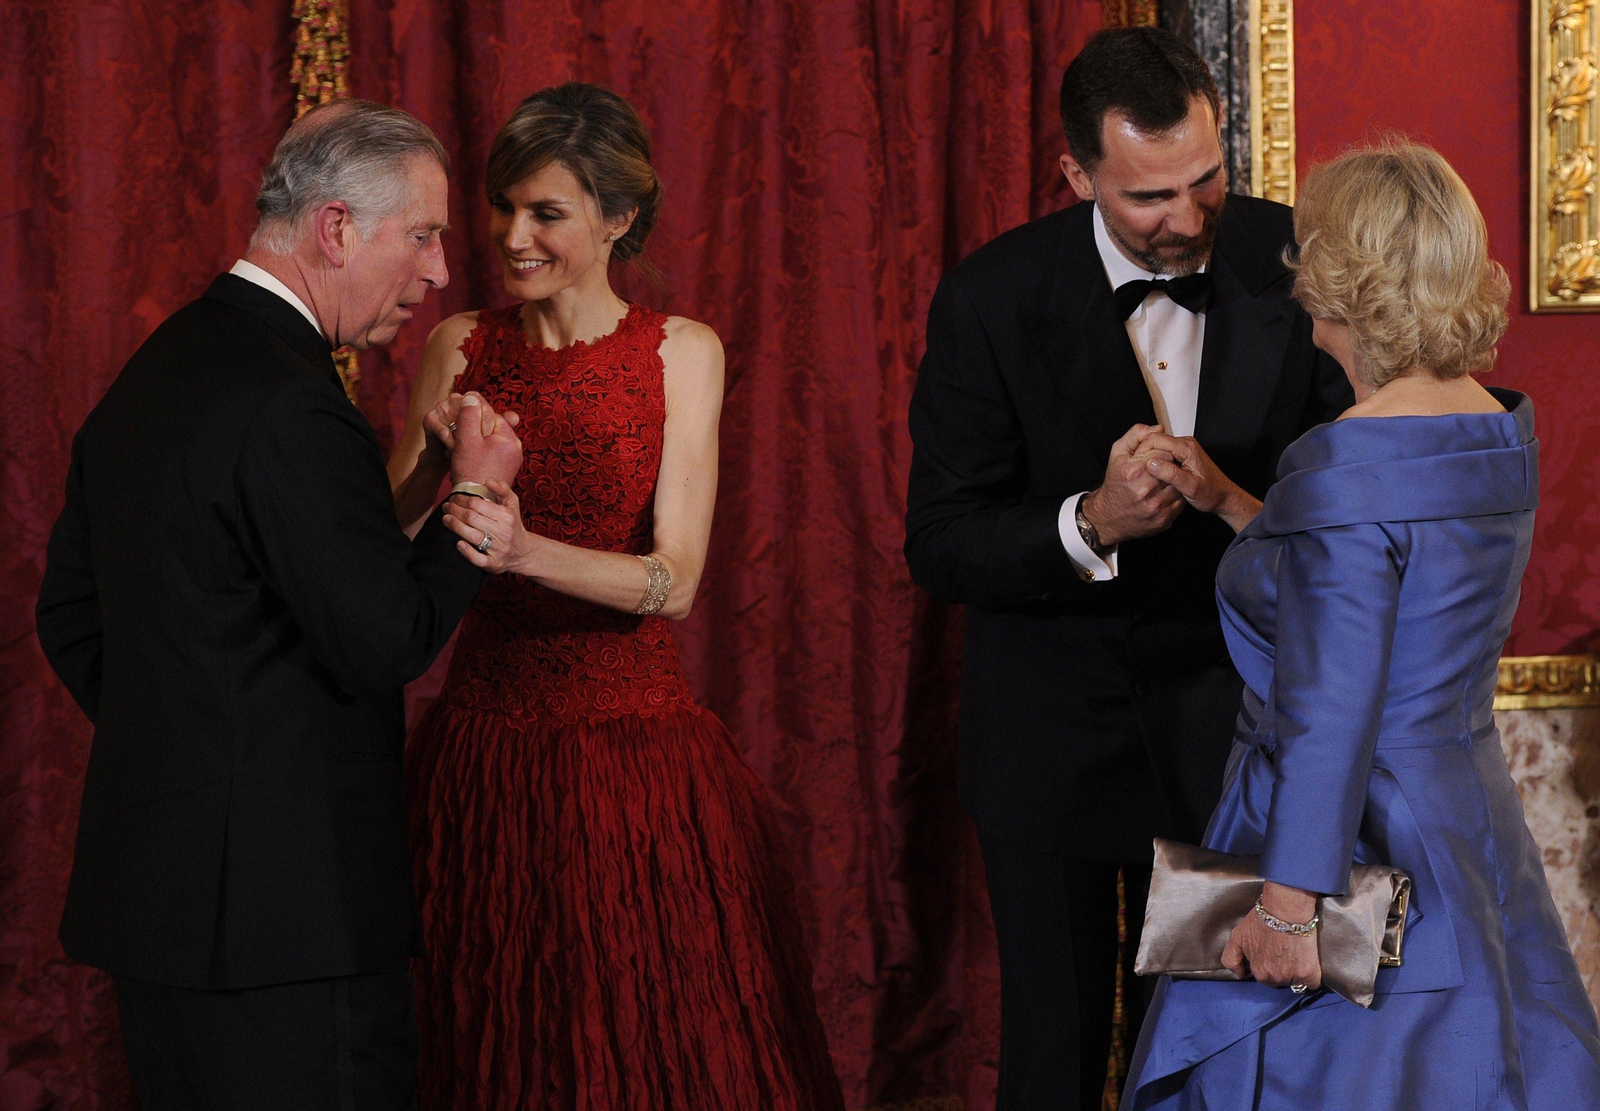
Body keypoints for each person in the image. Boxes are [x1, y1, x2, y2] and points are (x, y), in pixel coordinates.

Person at [33, 100, 523, 1110]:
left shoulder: (155, 370)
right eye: (423, 235)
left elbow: (70, 614)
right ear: (336, 228)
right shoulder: (294, 400)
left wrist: (196, 745)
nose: (438, 272)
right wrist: (472, 493)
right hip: (288, 928)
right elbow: (384, 635)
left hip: (161, 914)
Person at [903, 27, 1352, 1111]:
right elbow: (941, 539)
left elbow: (1348, 499)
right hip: (1049, 742)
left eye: (1205, 179)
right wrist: (1088, 522)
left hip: (1230, 740)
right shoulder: (988, 297)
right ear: (1075, 175)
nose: (1190, 218)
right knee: (1052, 1053)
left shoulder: (1296, 262)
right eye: (1150, 197)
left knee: (1214, 1059)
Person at [386, 82, 845, 1110]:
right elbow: (389, 539)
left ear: (619, 218)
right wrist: (431, 465)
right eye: (504, 207)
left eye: (545, 212)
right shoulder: (458, 343)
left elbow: (673, 581)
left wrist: (516, 544)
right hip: (482, 751)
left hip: (629, 763)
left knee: (645, 1046)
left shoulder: (683, 352)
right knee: (486, 1034)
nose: (512, 235)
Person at [1125, 143, 1600, 1109]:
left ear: (1339, 283)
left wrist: (1290, 909)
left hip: (1350, 832)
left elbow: (1331, 702)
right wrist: (1230, 503)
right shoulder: (1492, 426)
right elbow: (1381, 591)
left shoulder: (1347, 460)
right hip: (1464, 812)